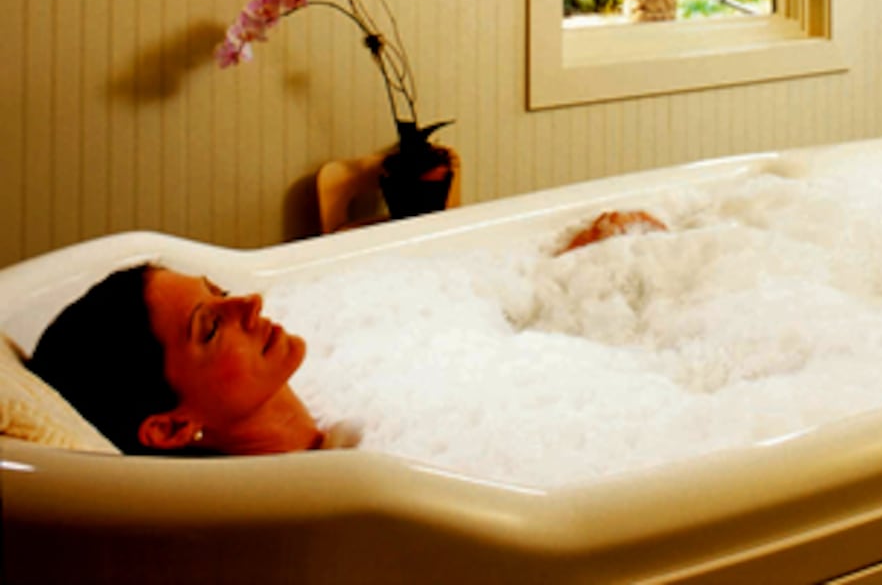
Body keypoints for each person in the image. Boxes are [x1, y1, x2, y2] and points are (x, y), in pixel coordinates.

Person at [24, 209, 667, 456]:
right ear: (169, 427)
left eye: (219, 291)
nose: (249, 303)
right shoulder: (327, 504)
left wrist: (563, 272)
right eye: (210, 325)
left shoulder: (350, 411)